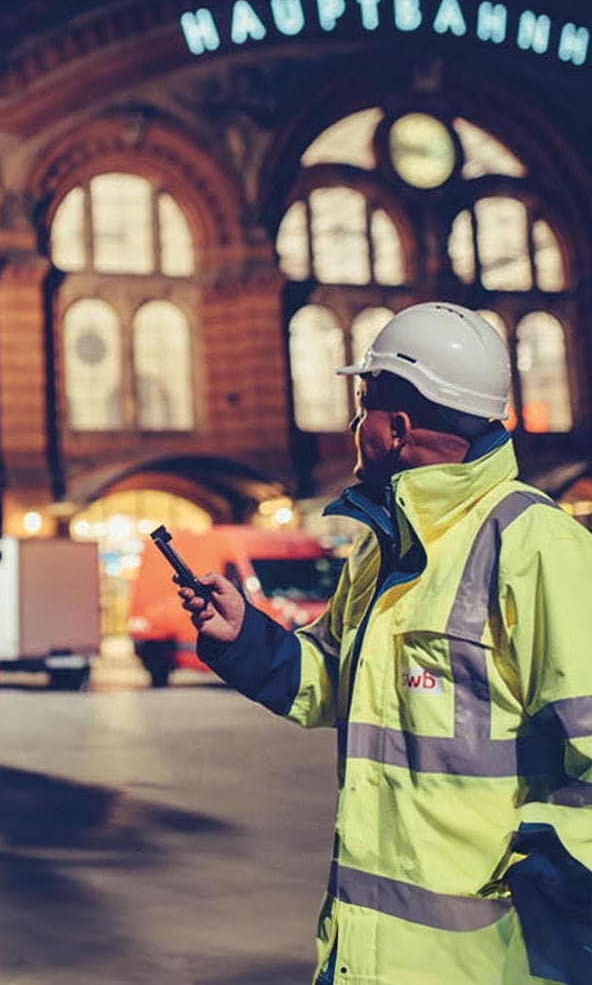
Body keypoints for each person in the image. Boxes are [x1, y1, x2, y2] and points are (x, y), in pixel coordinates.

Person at [178, 302, 592, 985]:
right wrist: (245, 637)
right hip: (366, 953)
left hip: (487, 961)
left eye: (362, 405)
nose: (353, 425)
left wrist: (544, 891)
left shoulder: (538, 546)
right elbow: (335, 681)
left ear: (396, 429)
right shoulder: (382, 554)